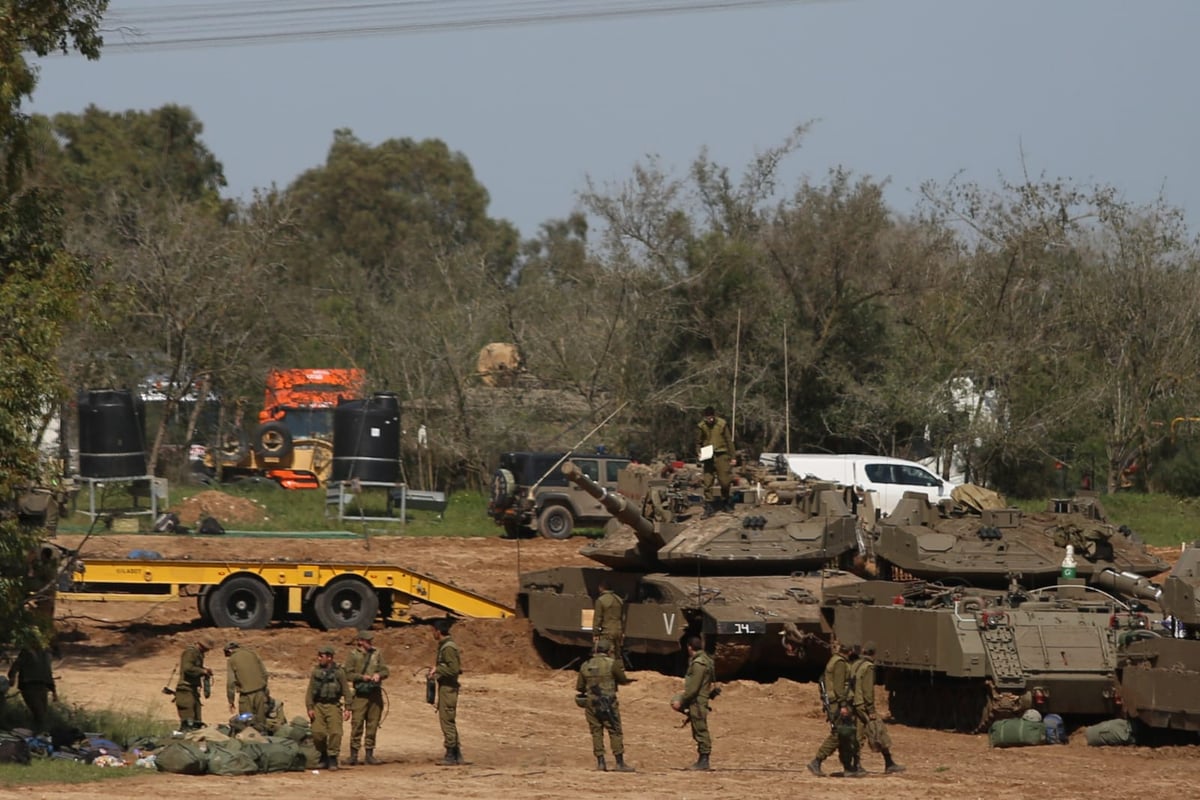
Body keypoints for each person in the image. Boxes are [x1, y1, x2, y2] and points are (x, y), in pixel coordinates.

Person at [576, 638, 635, 772]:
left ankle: (601, 763)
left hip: (591, 703)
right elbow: (622, 679)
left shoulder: (585, 665)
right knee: (614, 730)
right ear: (608, 651)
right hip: (608, 702)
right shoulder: (611, 664)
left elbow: (580, 687)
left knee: (596, 732)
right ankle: (619, 763)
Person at [807, 640, 861, 777]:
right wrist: (843, 705)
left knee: (846, 736)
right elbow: (838, 687)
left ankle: (848, 767)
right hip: (837, 703)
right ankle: (817, 761)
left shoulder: (836, 660)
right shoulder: (840, 663)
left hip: (837, 702)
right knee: (839, 733)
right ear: (849, 651)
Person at [851, 642, 904, 775]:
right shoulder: (868, 667)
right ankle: (888, 763)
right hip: (863, 704)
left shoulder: (856, 664)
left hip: (854, 702)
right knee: (878, 730)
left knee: (858, 733)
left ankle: (856, 764)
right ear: (874, 654)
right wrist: (871, 710)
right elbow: (868, 691)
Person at [344, 629, 389, 765]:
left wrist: (378, 675)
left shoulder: (377, 653)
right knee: (357, 724)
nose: (370, 643)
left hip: (375, 694)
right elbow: (347, 674)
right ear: (360, 642)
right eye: (367, 641)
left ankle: (369, 753)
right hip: (360, 695)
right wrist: (361, 677)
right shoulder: (353, 655)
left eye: (370, 641)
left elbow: (385, 670)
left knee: (372, 724)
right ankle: (353, 755)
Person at [671, 635, 714, 770]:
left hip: (697, 701)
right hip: (700, 698)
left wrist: (682, 700)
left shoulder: (698, 664)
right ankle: (703, 759)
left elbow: (693, 688)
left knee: (700, 729)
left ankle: (704, 760)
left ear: (689, 647)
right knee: (699, 728)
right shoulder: (707, 660)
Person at [306, 644, 351, 771]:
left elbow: (346, 690)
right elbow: (310, 691)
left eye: (322, 656)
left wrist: (348, 708)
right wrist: (310, 707)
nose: (319, 658)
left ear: (330, 658)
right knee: (317, 733)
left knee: (336, 732)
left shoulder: (339, 673)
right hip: (318, 705)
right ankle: (323, 756)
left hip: (333, 705)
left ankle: (332, 758)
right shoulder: (316, 672)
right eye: (319, 656)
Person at [427, 618, 463, 766]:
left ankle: (450, 754)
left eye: (433, 631)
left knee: (446, 720)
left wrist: (438, 669)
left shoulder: (448, 647)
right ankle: (456, 753)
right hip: (446, 688)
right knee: (449, 720)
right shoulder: (445, 646)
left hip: (448, 689)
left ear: (438, 631)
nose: (432, 634)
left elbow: (454, 669)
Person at [696, 406, 734, 517]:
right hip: (708, 455)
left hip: (722, 455)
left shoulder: (722, 424)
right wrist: (698, 452)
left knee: (725, 481)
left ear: (714, 415)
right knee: (707, 482)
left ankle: (726, 502)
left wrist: (733, 456)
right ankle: (709, 506)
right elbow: (698, 442)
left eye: (711, 417)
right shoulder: (701, 426)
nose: (710, 420)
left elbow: (728, 440)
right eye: (708, 417)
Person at [7, 646, 56, 731]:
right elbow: (16, 665)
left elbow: (48, 673)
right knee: (39, 714)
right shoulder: (28, 651)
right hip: (29, 686)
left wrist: (54, 691)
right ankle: (37, 735)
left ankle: (35, 734)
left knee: (41, 715)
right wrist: (12, 676)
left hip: (42, 687)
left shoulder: (46, 654)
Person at [224, 641, 270, 729]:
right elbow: (265, 673)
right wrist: (263, 689)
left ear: (229, 651)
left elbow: (230, 682)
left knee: (246, 724)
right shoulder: (252, 654)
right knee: (261, 722)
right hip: (260, 693)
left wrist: (231, 701)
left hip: (246, 696)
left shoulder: (232, 660)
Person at [175, 638, 214, 728]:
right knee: (189, 723)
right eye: (205, 648)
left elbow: (193, 666)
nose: (206, 651)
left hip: (193, 690)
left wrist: (205, 670)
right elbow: (187, 668)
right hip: (185, 690)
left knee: (197, 722)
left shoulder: (197, 653)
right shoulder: (190, 652)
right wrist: (202, 671)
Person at [593, 580, 625, 658]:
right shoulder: (619, 599)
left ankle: (609, 669)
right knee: (617, 653)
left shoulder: (601, 600)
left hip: (607, 631)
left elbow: (598, 618)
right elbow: (623, 617)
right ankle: (618, 668)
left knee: (607, 652)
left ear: (601, 588)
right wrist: (622, 631)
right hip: (618, 630)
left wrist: (596, 633)